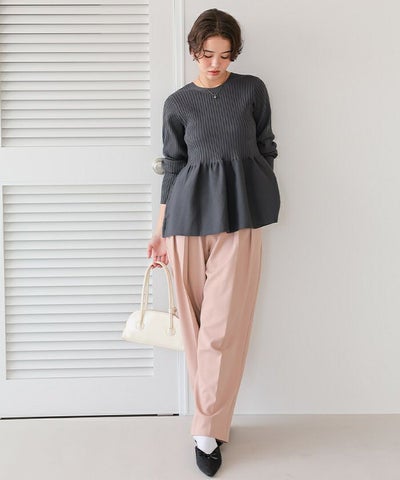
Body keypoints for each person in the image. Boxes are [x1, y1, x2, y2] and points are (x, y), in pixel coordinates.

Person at [147, 8, 280, 477]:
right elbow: (172, 165)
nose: (216, 64)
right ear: (193, 51)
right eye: (207, 54)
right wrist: (160, 230)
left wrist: (254, 187)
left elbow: (266, 145)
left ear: (234, 54)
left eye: (224, 55)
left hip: (238, 219)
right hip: (186, 220)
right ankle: (213, 422)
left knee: (222, 328)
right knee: (197, 330)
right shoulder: (177, 103)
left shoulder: (251, 90)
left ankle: (205, 430)